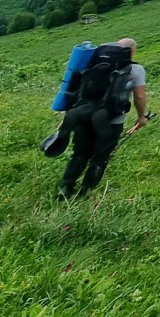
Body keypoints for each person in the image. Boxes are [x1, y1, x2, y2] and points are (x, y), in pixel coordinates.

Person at [57, 38, 147, 199]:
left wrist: (67, 115)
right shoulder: (135, 69)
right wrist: (141, 117)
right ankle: (84, 192)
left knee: (79, 154)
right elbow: (139, 96)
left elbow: (75, 91)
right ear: (132, 51)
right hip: (111, 121)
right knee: (100, 159)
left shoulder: (92, 63)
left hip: (82, 116)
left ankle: (65, 188)